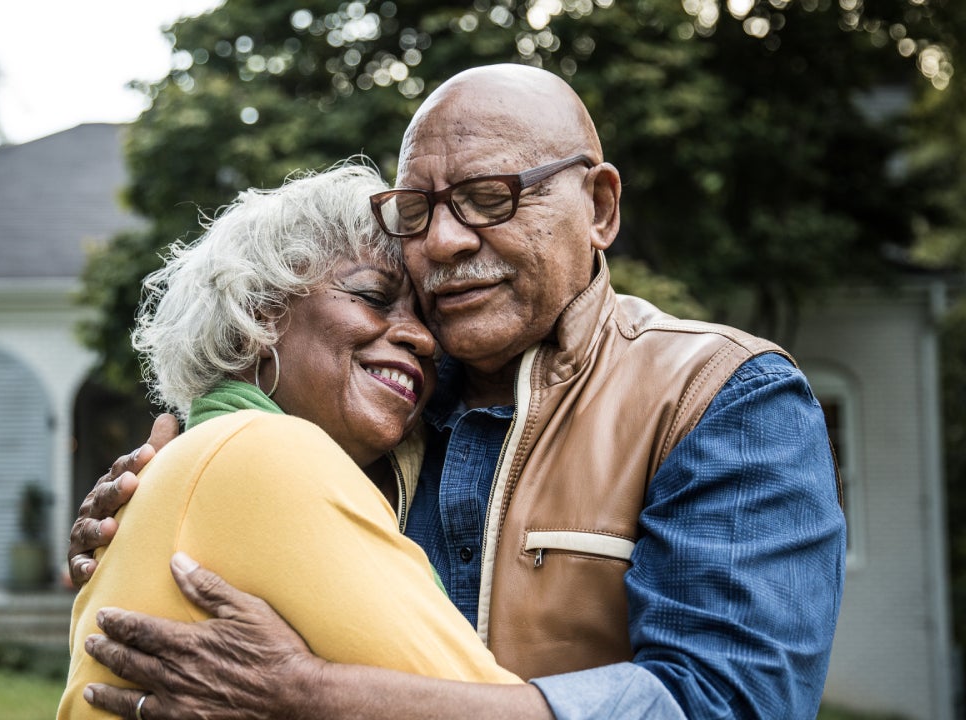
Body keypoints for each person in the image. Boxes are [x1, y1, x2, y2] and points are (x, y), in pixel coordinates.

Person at [69, 64, 846, 719]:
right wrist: (162, 495)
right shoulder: (371, 419)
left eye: (490, 196)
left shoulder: (719, 397)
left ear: (601, 208)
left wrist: (315, 695)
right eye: (418, 210)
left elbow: (729, 703)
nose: (442, 241)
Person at [56, 164, 532, 720]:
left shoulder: (195, 463)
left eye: (424, 316)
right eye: (375, 296)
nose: (425, 338)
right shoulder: (267, 451)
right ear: (256, 319)